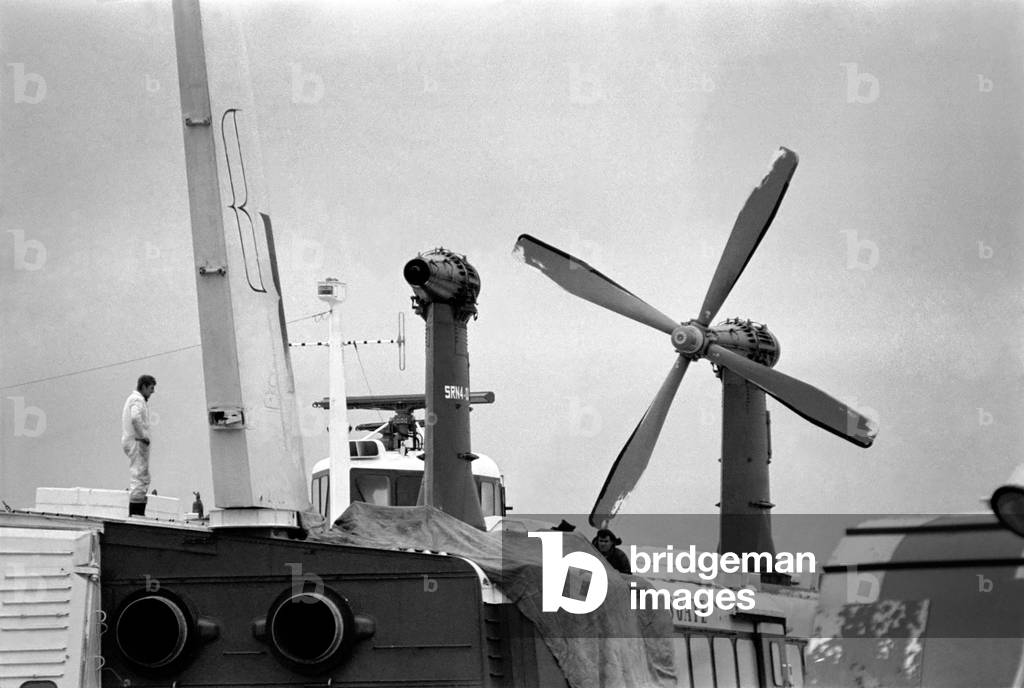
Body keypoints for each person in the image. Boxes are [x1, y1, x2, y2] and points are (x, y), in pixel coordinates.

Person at [122, 375, 156, 516]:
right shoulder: (137, 400)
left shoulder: (134, 399)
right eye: (151, 388)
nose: (152, 392)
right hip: (137, 442)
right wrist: (142, 437)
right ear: (143, 386)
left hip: (134, 441)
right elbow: (136, 418)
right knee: (139, 476)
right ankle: (136, 515)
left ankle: (137, 514)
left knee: (141, 477)